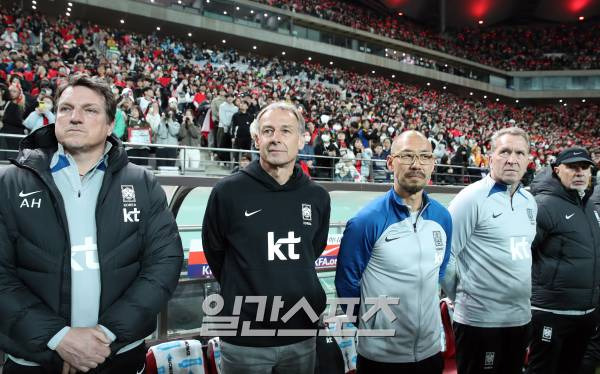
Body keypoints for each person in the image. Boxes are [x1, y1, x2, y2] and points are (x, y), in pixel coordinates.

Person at [0, 75, 183, 373]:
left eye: (90, 110)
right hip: (32, 360)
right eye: (65, 108)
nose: (74, 117)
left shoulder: (141, 183)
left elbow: (164, 263)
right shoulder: (10, 182)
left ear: (111, 125)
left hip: (117, 354)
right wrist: (57, 338)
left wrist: (106, 335)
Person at [202, 101, 331, 374]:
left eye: (286, 131)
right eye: (268, 130)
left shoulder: (317, 196)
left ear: (301, 140)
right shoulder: (227, 192)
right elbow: (215, 252)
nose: (276, 138)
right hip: (244, 337)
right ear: (256, 138)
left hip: (301, 331)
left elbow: (313, 249)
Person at [335, 130, 451, 374]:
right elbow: (347, 284)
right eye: (407, 156)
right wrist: (372, 325)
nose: (416, 164)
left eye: (424, 157)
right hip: (381, 357)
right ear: (390, 162)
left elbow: (437, 274)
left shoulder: (443, 217)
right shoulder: (366, 221)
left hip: (431, 351)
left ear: (432, 163)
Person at [443, 127, 537, 374]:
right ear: (491, 155)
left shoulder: (530, 202)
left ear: (528, 160)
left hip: (519, 319)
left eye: (519, 153)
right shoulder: (471, 198)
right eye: (504, 151)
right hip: (480, 323)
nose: (512, 159)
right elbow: (445, 256)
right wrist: (463, 296)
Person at [526, 147, 600, 374]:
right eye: (572, 167)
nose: (579, 172)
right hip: (551, 312)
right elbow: (522, 255)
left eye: (585, 167)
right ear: (557, 170)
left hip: (585, 313)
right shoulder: (543, 205)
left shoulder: (589, 205)